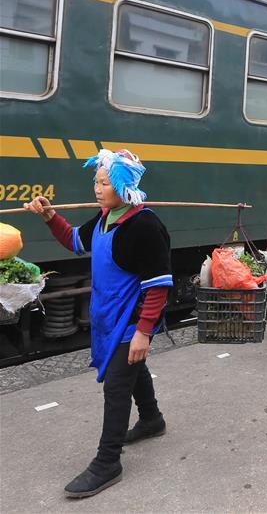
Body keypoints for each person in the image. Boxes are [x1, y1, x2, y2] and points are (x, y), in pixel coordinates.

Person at [24, 149, 172, 498]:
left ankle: (107, 462)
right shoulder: (106, 218)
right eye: (96, 181)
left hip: (130, 319)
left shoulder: (145, 226)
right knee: (134, 368)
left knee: (117, 386)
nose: (97, 188)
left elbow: (158, 286)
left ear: (124, 186)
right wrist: (49, 217)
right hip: (107, 315)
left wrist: (143, 332)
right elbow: (75, 240)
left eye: (105, 183)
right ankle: (152, 420)